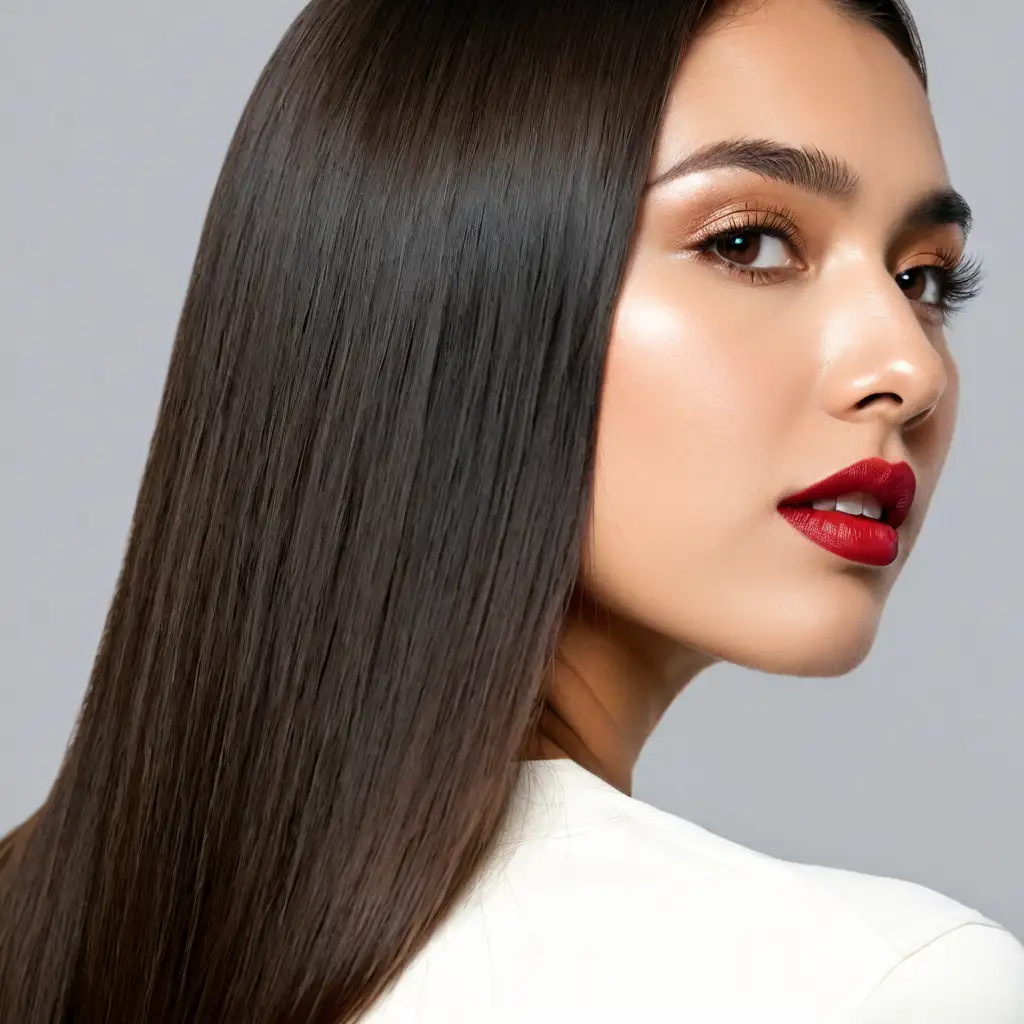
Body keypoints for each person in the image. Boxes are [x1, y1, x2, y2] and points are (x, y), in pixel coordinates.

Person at [1, 0, 1022, 1020]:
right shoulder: (873, 986)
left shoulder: (32, 927)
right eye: (749, 243)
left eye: (924, 277)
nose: (907, 365)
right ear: (447, 292)